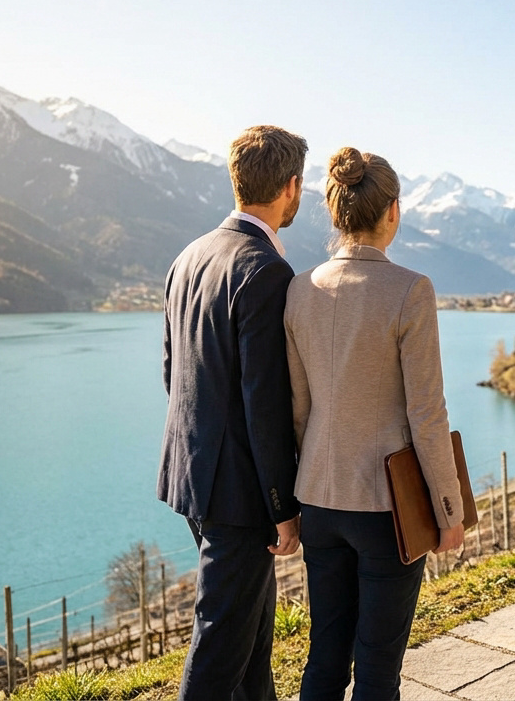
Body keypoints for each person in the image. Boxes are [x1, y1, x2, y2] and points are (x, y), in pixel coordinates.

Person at [286, 146, 465, 701]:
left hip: (318, 498)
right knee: (379, 669)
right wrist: (449, 510)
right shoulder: (411, 290)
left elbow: (297, 408)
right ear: (392, 212)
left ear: (337, 214)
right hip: (387, 507)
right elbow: (426, 413)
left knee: (324, 657)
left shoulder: (299, 289)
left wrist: (297, 500)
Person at [158, 125, 307, 701]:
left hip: (192, 476)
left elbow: (174, 375)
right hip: (240, 494)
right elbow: (264, 404)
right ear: (291, 187)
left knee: (250, 635)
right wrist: (282, 506)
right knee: (221, 641)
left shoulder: (189, 255)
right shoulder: (266, 271)